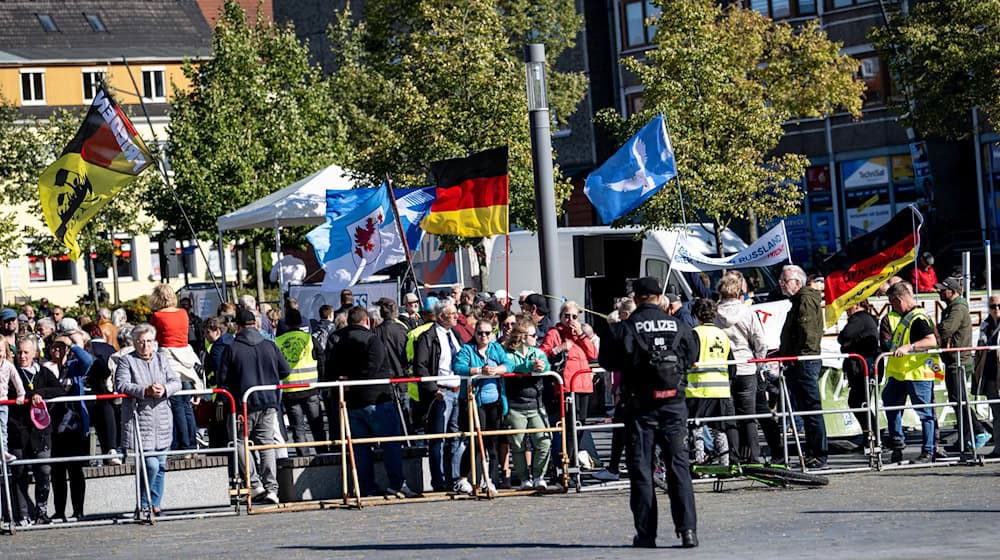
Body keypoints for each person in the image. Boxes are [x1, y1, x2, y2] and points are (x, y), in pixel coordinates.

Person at [599, 277, 698, 549]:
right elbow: (691, 357)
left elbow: (607, 362)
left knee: (642, 471)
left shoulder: (624, 328)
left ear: (637, 297)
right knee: (679, 468)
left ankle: (646, 534)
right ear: (659, 297)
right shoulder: (680, 325)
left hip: (639, 408)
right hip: (674, 406)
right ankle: (688, 531)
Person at [332, 306, 417, 498]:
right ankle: (397, 484)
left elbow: (331, 368)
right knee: (390, 443)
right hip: (376, 400)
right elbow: (373, 368)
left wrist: (346, 382)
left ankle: (366, 487)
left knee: (360, 447)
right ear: (367, 321)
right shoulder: (372, 340)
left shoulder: (338, 340)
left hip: (351, 402)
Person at [218, 309, 290, 504]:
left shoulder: (232, 348)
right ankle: (272, 489)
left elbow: (221, 380)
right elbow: (285, 370)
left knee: (240, 441)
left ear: (238, 326)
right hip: (268, 402)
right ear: (255, 324)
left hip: (243, 404)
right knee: (266, 443)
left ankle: (255, 484)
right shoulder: (270, 345)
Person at [115, 323, 182, 516]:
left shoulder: (162, 359)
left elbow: (175, 381)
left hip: (162, 419)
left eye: (149, 341)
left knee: (160, 465)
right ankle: (143, 502)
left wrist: (165, 389)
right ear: (134, 342)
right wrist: (144, 390)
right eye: (141, 341)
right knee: (150, 465)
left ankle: (156, 503)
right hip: (140, 419)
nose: (145, 345)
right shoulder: (126, 361)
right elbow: (121, 384)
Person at [883, 281, 940, 463]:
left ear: (899, 300)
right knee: (890, 403)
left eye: (892, 303)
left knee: (925, 413)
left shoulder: (918, 318)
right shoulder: (907, 317)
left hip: (917, 373)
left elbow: (931, 341)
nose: (892, 307)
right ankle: (897, 441)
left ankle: (928, 451)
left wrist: (910, 346)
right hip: (901, 373)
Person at [777, 264, 828, 469]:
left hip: (804, 361)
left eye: (785, 280)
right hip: (800, 360)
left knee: (812, 409)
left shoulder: (804, 299)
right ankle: (812, 452)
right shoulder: (799, 300)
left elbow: (807, 332)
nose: (781, 283)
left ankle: (819, 454)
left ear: (797, 282)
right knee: (806, 410)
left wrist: (799, 357)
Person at [9, 336, 63, 526]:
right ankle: (22, 515)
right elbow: (10, 393)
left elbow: (59, 390)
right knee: (20, 472)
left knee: (44, 469)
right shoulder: (10, 371)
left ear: (34, 353)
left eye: (26, 353)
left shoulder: (42, 371)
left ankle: (41, 511)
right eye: (19, 353)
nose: (22, 356)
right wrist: (31, 395)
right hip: (18, 428)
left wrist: (42, 395)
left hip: (40, 430)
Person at [453, 318, 511, 493]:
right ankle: (463, 478)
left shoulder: (495, 348)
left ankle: (489, 479)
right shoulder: (467, 349)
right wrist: (479, 371)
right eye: (480, 333)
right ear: (475, 333)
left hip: (495, 401)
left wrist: (497, 370)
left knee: (492, 443)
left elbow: (509, 364)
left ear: (492, 333)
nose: (484, 336)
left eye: (487, 333)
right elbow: (458, 367)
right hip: (475, 401)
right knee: (475, 442)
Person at [412, 302, 465, 492]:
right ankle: (439, 480)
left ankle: (455, 477)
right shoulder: (428, 337)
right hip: (441, 393)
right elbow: (421, 366)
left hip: (458, 390)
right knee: (439, 438)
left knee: (456, 437)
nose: (456, 316)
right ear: (441, 316)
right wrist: (433, 389)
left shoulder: (455, 334)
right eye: (452, 314)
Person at [715, 272, 768, 462]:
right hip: (746, 367)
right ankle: (754, 456)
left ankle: (734, 458)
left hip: (722, 369)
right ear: (738, 291)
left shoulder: (715, 313)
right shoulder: (748, 312)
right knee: (749, 415)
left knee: (729, 415)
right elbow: (760, 341)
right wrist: (759, 361)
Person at [935, 277, 989, 450]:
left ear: (953, 291)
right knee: (956, 399)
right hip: (954, 360)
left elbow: (946, 329)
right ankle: (966, 439)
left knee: (959, 399)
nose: (939, 292)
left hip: (959, 361)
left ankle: (978, 431)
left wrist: (934, 329)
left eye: (943, 289)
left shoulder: (957, 308)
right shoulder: (953, 307)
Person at [148, 284, 202, 455]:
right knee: (186, 404)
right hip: (185, 358)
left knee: (176, 404)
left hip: (169, 359)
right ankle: (192, 444)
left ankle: (183, 446)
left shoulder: (157, 316)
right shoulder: (183, 313)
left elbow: (154, 338)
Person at [46, 330, 93, 522]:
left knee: (75, 470)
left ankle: (78, 510)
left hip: (74, 425)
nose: (57, 350)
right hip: (53, 425)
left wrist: (72, 344)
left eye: (61, 347)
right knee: (57, 471)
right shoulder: (45, 369)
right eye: (54, 347)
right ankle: (59, 510)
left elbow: (88, 361)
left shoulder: (74, 367)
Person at [687, 299, 739, 466]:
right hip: (721, 389)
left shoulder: (696, 333)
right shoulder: (722, 334)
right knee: (720, 428)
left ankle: (699, 462)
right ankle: (725, 462)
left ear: (696, 315)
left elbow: (690, 358)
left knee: (697, 427)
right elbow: (732, 365)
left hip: (700, 388)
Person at [503, 316, 552, 489]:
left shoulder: (538, 352)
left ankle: (539, 476)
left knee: (544, 441)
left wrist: (542, 367)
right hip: (516, 405)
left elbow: (547, 366)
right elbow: (511, 367)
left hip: (536, 403)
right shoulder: (508, 354)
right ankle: (524, 479)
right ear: (523, 337)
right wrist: (529, 366)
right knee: (518, 445)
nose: (536, 338)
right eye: (533, 335)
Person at [275, 309, 326, 456]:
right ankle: (323, 455)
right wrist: (321, 381)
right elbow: (321, 360)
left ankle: (302, 457)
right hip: (311, 389)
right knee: (317, 425)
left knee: (298, 428)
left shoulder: (278, 341)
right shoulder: (310, 339)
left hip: (290, 391)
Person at [837, 300, 879, 451]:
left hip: (863, 368)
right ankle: (870, 437)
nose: (846, 310)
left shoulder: (859, 318)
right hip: (863, 366)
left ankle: (872, 437)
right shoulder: (865, 318)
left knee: (859, 402)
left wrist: (846, 342)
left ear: (856, 305)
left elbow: (844, 336)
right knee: (859, 402)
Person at [973, 294, 1000, 458]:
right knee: (997, 415)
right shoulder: (985, 325)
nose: (996, 309)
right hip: (990, 375)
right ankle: (998, 448)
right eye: (993, 306)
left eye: (999, 305)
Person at [0, 342, 27, 462]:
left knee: (2, 427)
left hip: (3, 401)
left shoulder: (8, 366)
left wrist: (21, 395)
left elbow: (17, 381)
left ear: (5, 351)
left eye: (0, 350)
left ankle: (3, 451)